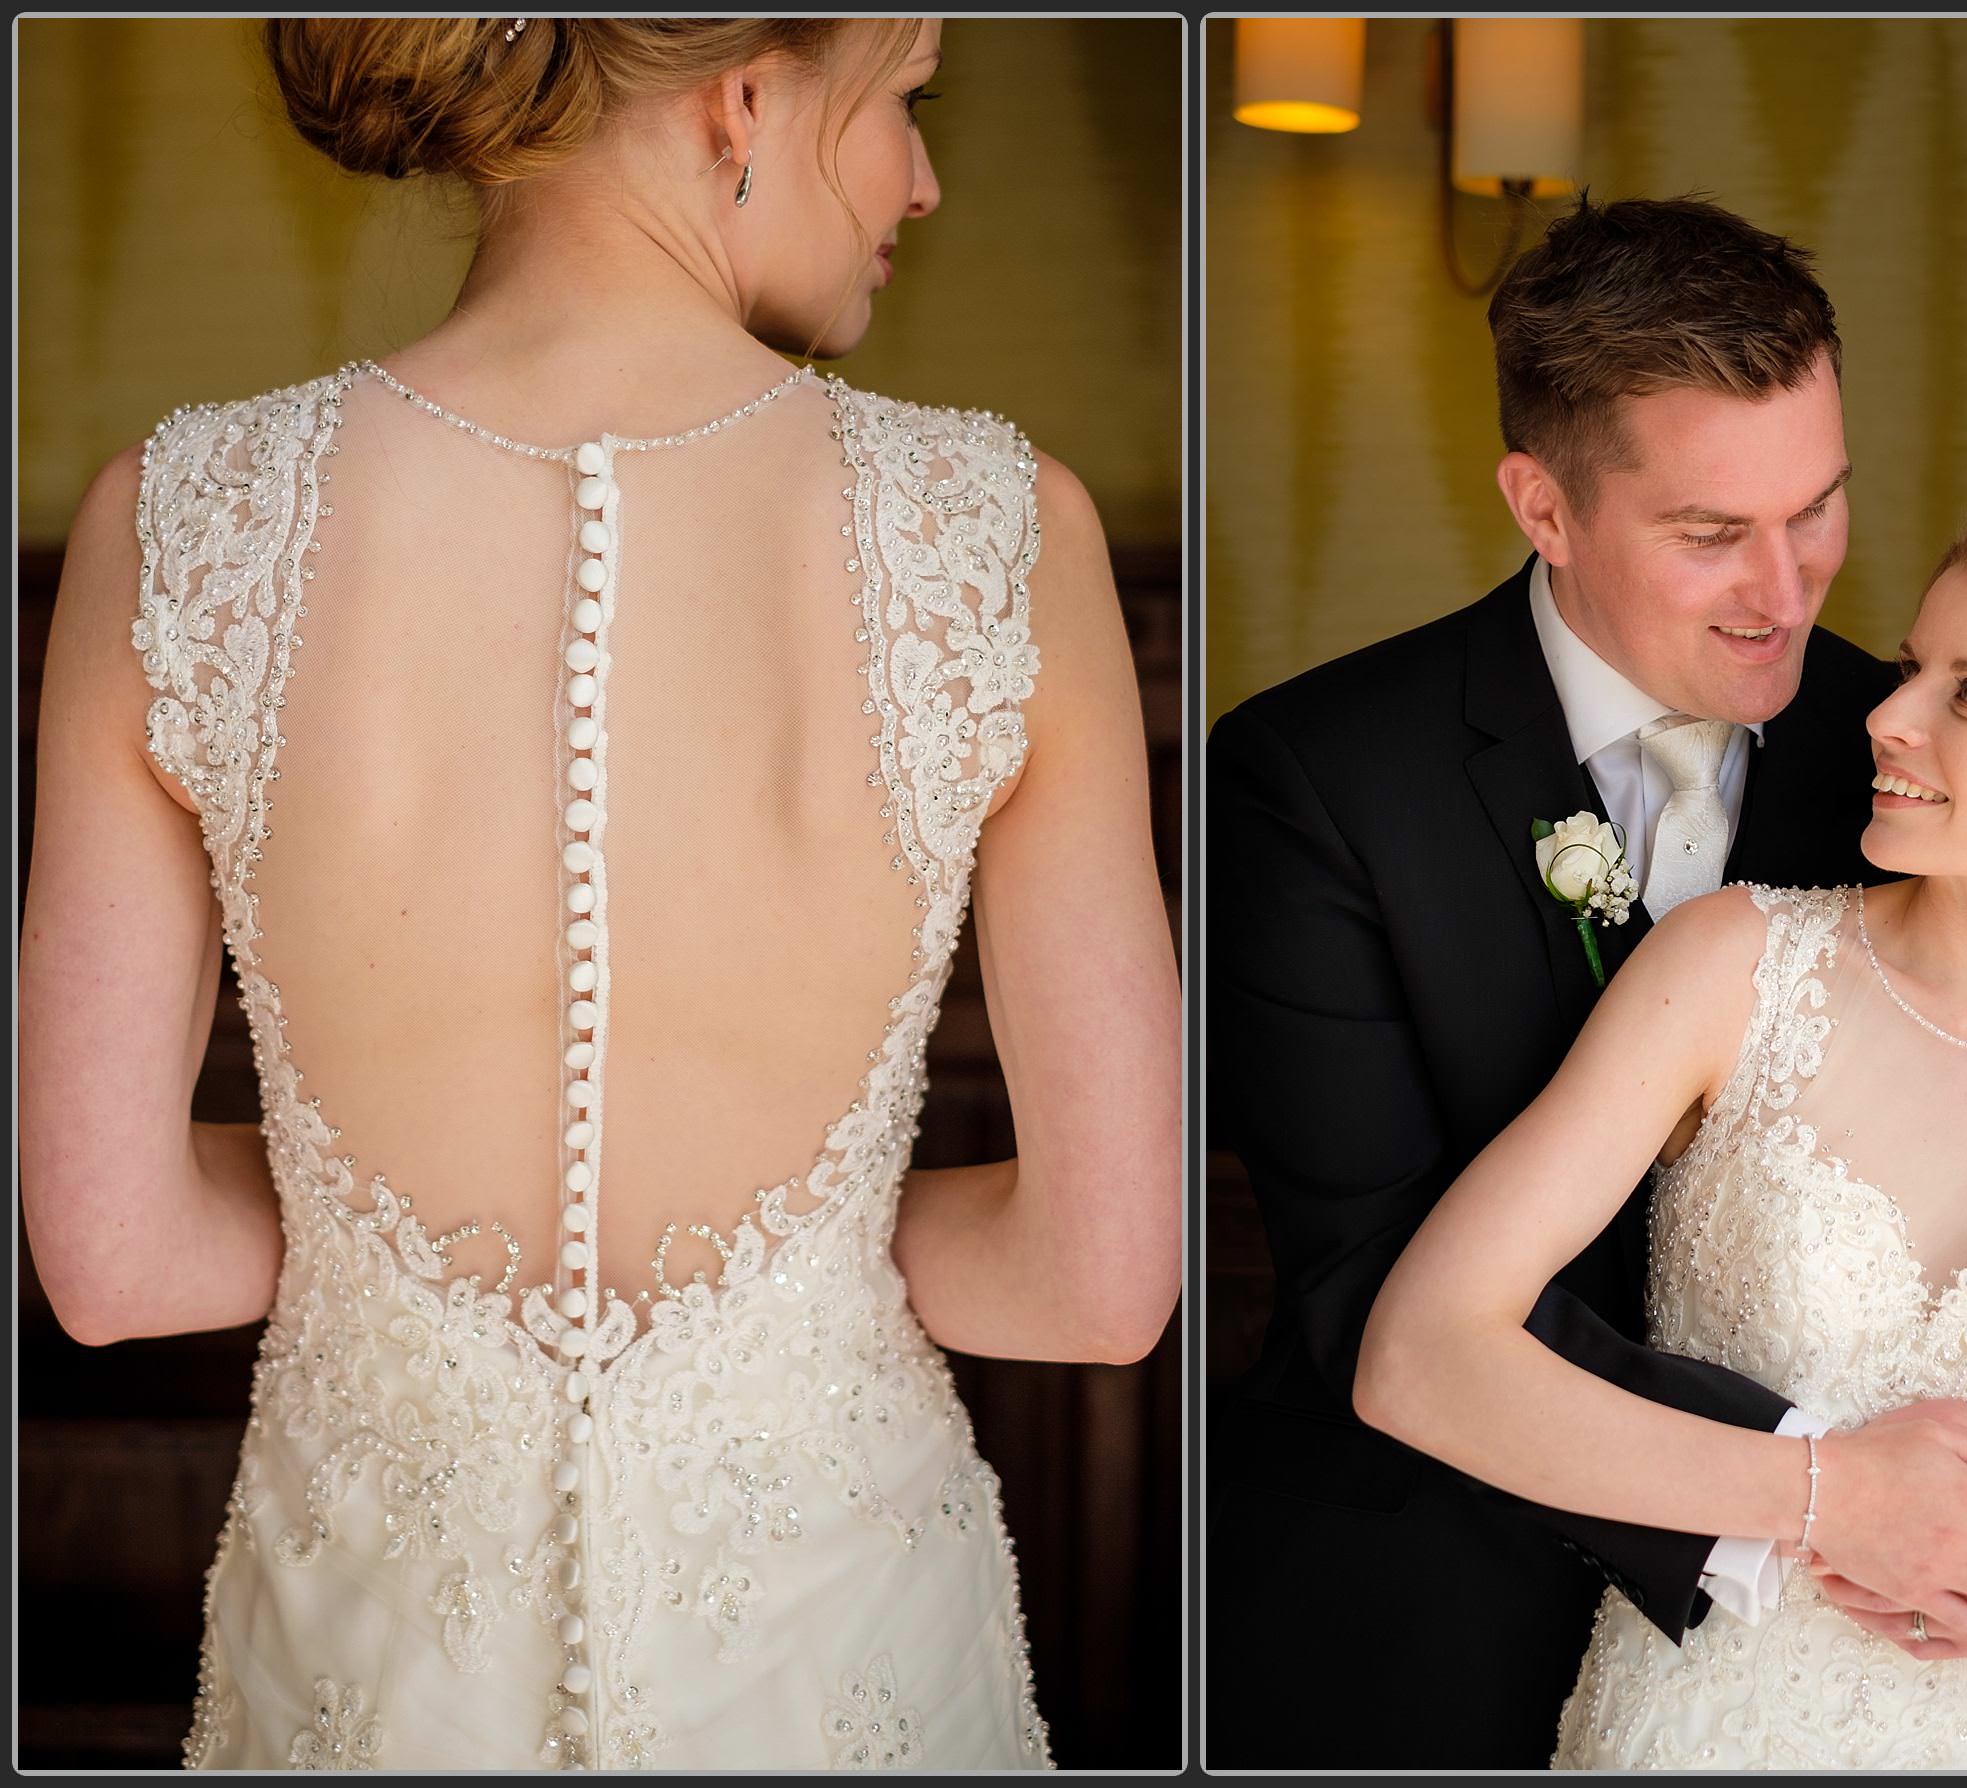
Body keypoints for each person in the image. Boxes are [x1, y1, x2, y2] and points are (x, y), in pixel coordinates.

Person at [17, 17, 1180, 1770]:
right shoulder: (1001, 527)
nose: (921, 182)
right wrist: (803, 1258)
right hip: (841, 1650)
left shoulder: (179, 517)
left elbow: (110, 1261)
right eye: (905, 107)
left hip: (376, 1669)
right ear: (743, 95)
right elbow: (1100, 1283)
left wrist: (371, 1225)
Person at [1205, 196, 1967, 1769]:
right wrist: (1827, 1493)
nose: (1783, 592)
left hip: (1878, 1654)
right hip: (1426, 1604)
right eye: (1712, 534)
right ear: (1544, 506)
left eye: (1819, 511)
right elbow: (1369, 1293)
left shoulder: (1926, 752)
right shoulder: (1316, 779)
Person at [1358, 490, 1967, 1767]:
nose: (1882, 716)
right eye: (1913, 668)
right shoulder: (1734, 968)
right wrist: (1823, 1497)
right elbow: (1416, 1358)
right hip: (1695, 1734)